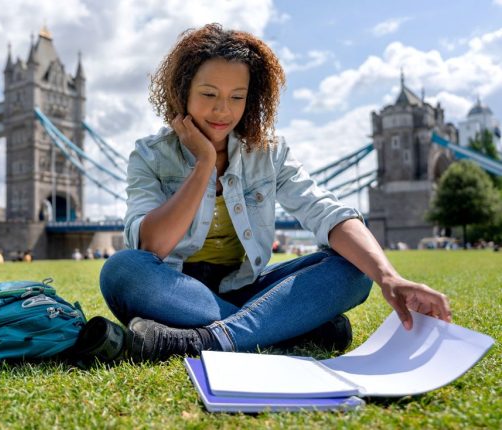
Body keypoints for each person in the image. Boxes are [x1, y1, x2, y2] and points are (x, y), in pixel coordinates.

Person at [99, 24, 452, 363]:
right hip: (176, 291)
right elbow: (152, 246)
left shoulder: (269, 152)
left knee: (356, 269)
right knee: (122, 270)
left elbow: (324, 210)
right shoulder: (149, 155)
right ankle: (287, 326)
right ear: (183, 91)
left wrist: (389, 277)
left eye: (237, 97)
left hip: (250, 289)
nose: (223, 111)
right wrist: (204, 163)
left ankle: (208, 339)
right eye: (208, 95)